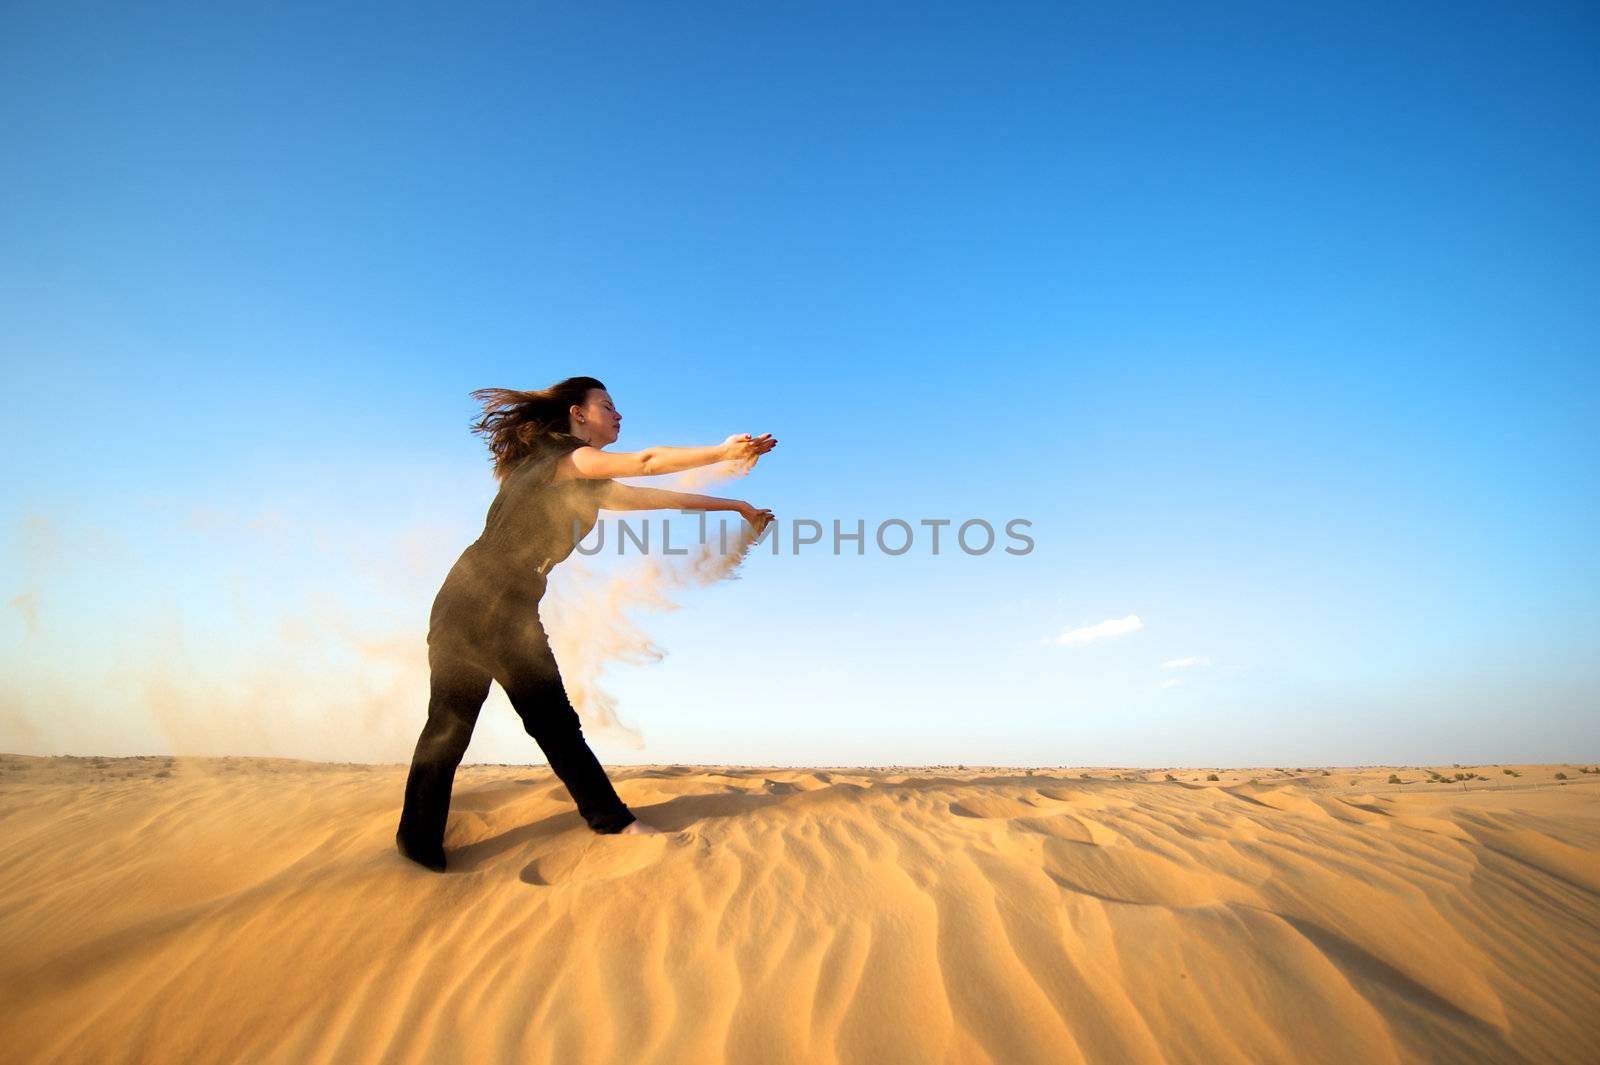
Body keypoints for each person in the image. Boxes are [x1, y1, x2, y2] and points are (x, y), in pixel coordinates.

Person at [396, 376, 777, 872]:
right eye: (608, 406)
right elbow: (646, 462)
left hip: (468, 599)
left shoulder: (583, 482)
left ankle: (417, 838)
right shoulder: (561, 458)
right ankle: (610, 820)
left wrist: (738, 507)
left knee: (465, 723)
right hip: (491, 603)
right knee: (530, 724)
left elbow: (662, 498)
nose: (618, 415)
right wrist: (723, 452)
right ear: (577, 414)